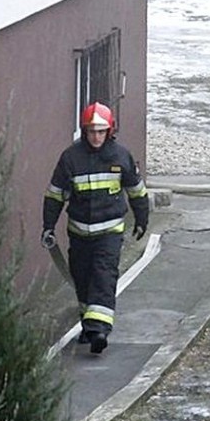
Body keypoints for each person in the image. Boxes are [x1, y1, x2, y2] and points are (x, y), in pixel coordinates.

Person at [41, 102, 149, 354]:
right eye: (91, 131)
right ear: (84, 131)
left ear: (110, 130)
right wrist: (48, 226)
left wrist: (142, 219)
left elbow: (137, 191)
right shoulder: (70, 158)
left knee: (103, 275)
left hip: (109, 233)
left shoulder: (121, 156)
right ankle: (88, 326)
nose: (96, 136)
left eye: (101, 131)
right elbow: (55, 195)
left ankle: (100, 330)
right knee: (82, 278)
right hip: (79, 234)